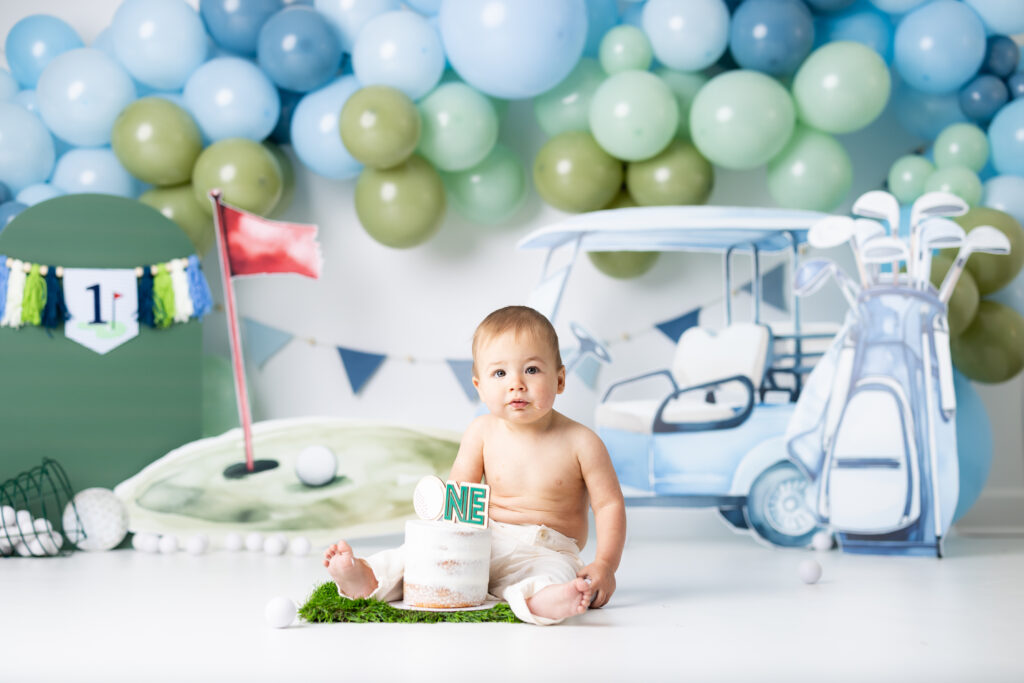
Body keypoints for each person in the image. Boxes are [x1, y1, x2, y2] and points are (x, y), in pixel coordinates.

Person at [324, 305, 626, 625]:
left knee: (555, 574)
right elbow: (459, 497)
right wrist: (447, 541)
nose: (516, 384)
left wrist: (605, 564)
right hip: (483, 538)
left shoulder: (582, 442)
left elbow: (609, 505)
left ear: (560, 379)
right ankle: (368, 576)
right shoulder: (481, 432)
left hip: (547, 549)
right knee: (420, 555)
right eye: (500, 373)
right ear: (479, 386)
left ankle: (546, 599)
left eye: (532, 370)